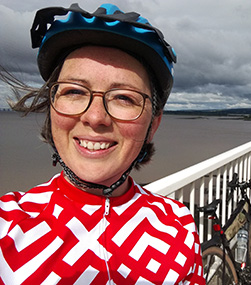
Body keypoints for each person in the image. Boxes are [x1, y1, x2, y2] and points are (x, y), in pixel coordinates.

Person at [0, 3, 205, 284]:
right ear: (51, 108)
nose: (95, 117)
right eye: (73, 91)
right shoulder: (8, 227)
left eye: (124, 97)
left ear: (153, 124)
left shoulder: (178, 225)